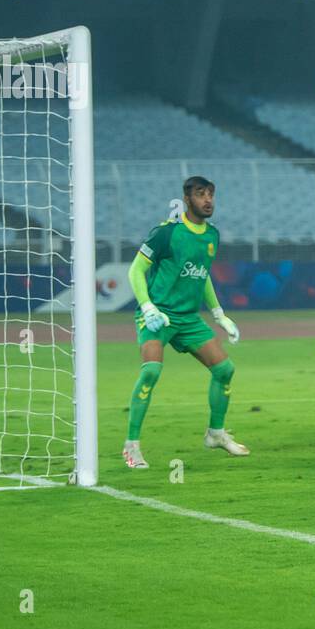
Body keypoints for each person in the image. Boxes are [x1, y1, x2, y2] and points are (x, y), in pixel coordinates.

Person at [122, 176, 246, 469]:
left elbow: (202, 276)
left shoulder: (212, 236)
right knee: (151, 371)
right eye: (201, 194)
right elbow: (135, 271)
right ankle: (131, 445)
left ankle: (215, 434)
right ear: (187, 199)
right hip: (159, 316)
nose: (208, 200)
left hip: (189, 318)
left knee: (225, 369)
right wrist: (148, 307)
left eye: (212, 194)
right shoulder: (166, 233)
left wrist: (219, 314)